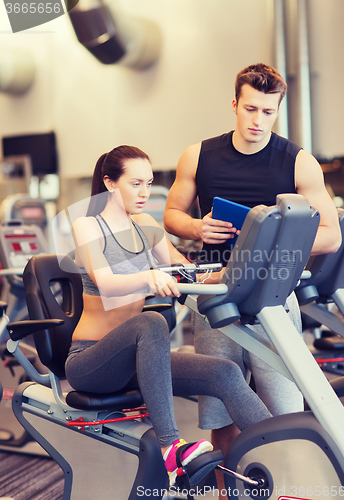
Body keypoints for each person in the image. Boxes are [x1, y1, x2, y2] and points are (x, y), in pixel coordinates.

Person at [163, 63, 342, 495]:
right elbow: (171, 216)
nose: (257, 120)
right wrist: (196, 229)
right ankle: (230, 491)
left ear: (277, 110)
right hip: (214, 291)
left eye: (267, 111)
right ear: (234, 105)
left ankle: (289, 486)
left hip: (272, 293)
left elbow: (331, 236)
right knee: (219, 409)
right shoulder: (198, 154)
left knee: (282, 405)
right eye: (250, 109)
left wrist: (272, 241)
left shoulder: (299, 161)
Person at [64, 145, 273, 489]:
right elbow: (106, 282)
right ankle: (171, 450)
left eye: (148, 183)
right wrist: (148, 276)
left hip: (140, 360)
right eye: (135, 184)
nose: (145, 193)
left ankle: (281, 448)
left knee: (225, 372)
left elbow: (186, 272)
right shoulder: (88, 225)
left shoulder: (145, 225)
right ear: (110, 183)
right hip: (92, 361)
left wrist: (246, 267)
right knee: (151, 321)